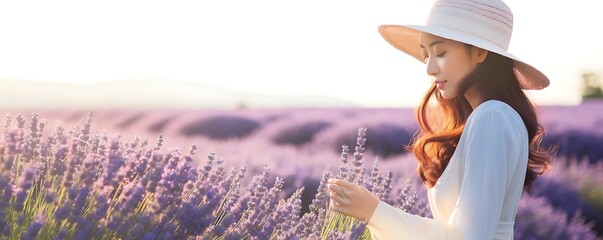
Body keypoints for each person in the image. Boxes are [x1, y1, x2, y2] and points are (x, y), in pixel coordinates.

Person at [326, 0, 556, 239]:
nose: (429, 68)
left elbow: (468, 236)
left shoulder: (492, 117)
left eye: (441, 53)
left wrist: (375, 211)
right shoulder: (493, 116)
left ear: (479, 52)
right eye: (426, 55)